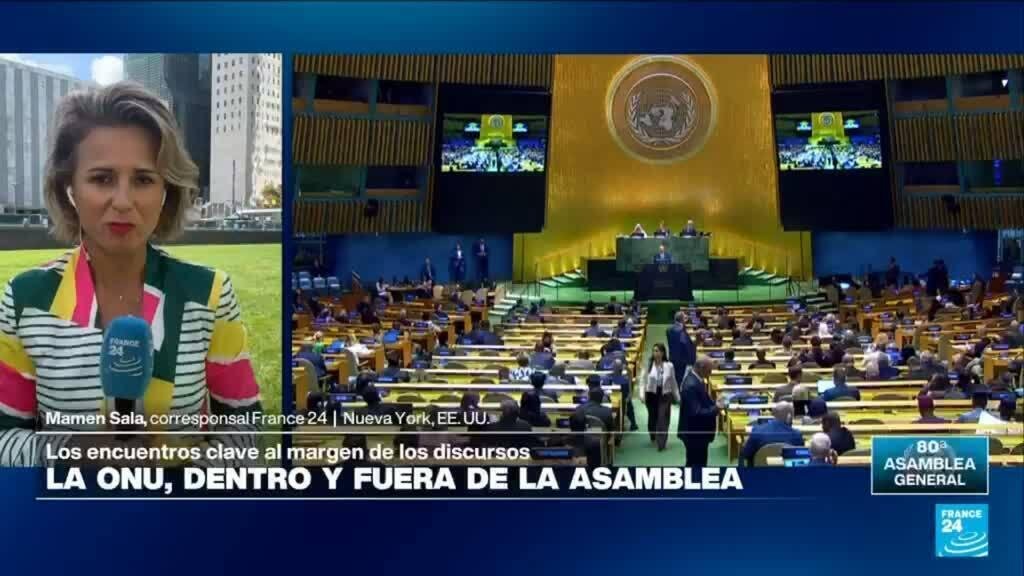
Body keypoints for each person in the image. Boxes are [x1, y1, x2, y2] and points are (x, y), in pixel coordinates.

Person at [0, 83, 261, 467]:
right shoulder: (25, 299)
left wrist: (177, 478)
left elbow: (245, 429)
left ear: (166, 190)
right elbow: (5, 437)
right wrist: (75, 453)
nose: (123, 202)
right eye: (102, 178)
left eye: (143, 179)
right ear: (69, 187)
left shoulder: (209, 293)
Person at [678, 356, 723, 467]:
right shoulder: (691, 385)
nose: (711, 373)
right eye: (709, 369)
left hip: (697, 433)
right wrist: (716, 408)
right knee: (696, 464)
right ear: (702, 367)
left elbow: (703, 401)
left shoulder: (696, 379)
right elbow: (697, 413)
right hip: (695, 434)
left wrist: (715, 403)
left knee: (697, 463)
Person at [739, 402, 804, 467]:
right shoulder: (797, 435)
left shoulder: (757, 431)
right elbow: (801, 458)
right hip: (788, 472)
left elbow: (746, 454)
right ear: (789, 416)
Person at [643, 343, 679, 450]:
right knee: (653, 417)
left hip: (664, 394)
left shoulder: (669, 366)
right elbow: (642, 381)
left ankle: (661, 443)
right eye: (654, 351)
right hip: (651, 394)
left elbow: (673, 382)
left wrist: (677, 396)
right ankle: (653, 434)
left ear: (663, 353)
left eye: (658, 351)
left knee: (662, 418)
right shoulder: (649, 364)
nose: (656, 353)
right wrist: (641, 395)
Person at [603, 358, 638, 431]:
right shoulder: (616, 377)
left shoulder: (622, 378)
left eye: (616, 367)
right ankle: (626, 425)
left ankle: (631, 424)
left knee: (628, 408)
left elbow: (629, 376)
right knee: (626, 408)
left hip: (620, 399)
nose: (614, 368)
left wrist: (629, 395)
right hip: (615, 399)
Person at [666, 311, 696, 387]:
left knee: (674, 377)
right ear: (682, 319)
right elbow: (685, 345)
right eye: (685, 318)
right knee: (680, 379)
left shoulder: (669, 330)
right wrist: (691, 360)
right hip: (681, 360)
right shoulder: (681, 331)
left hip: (672, 357)